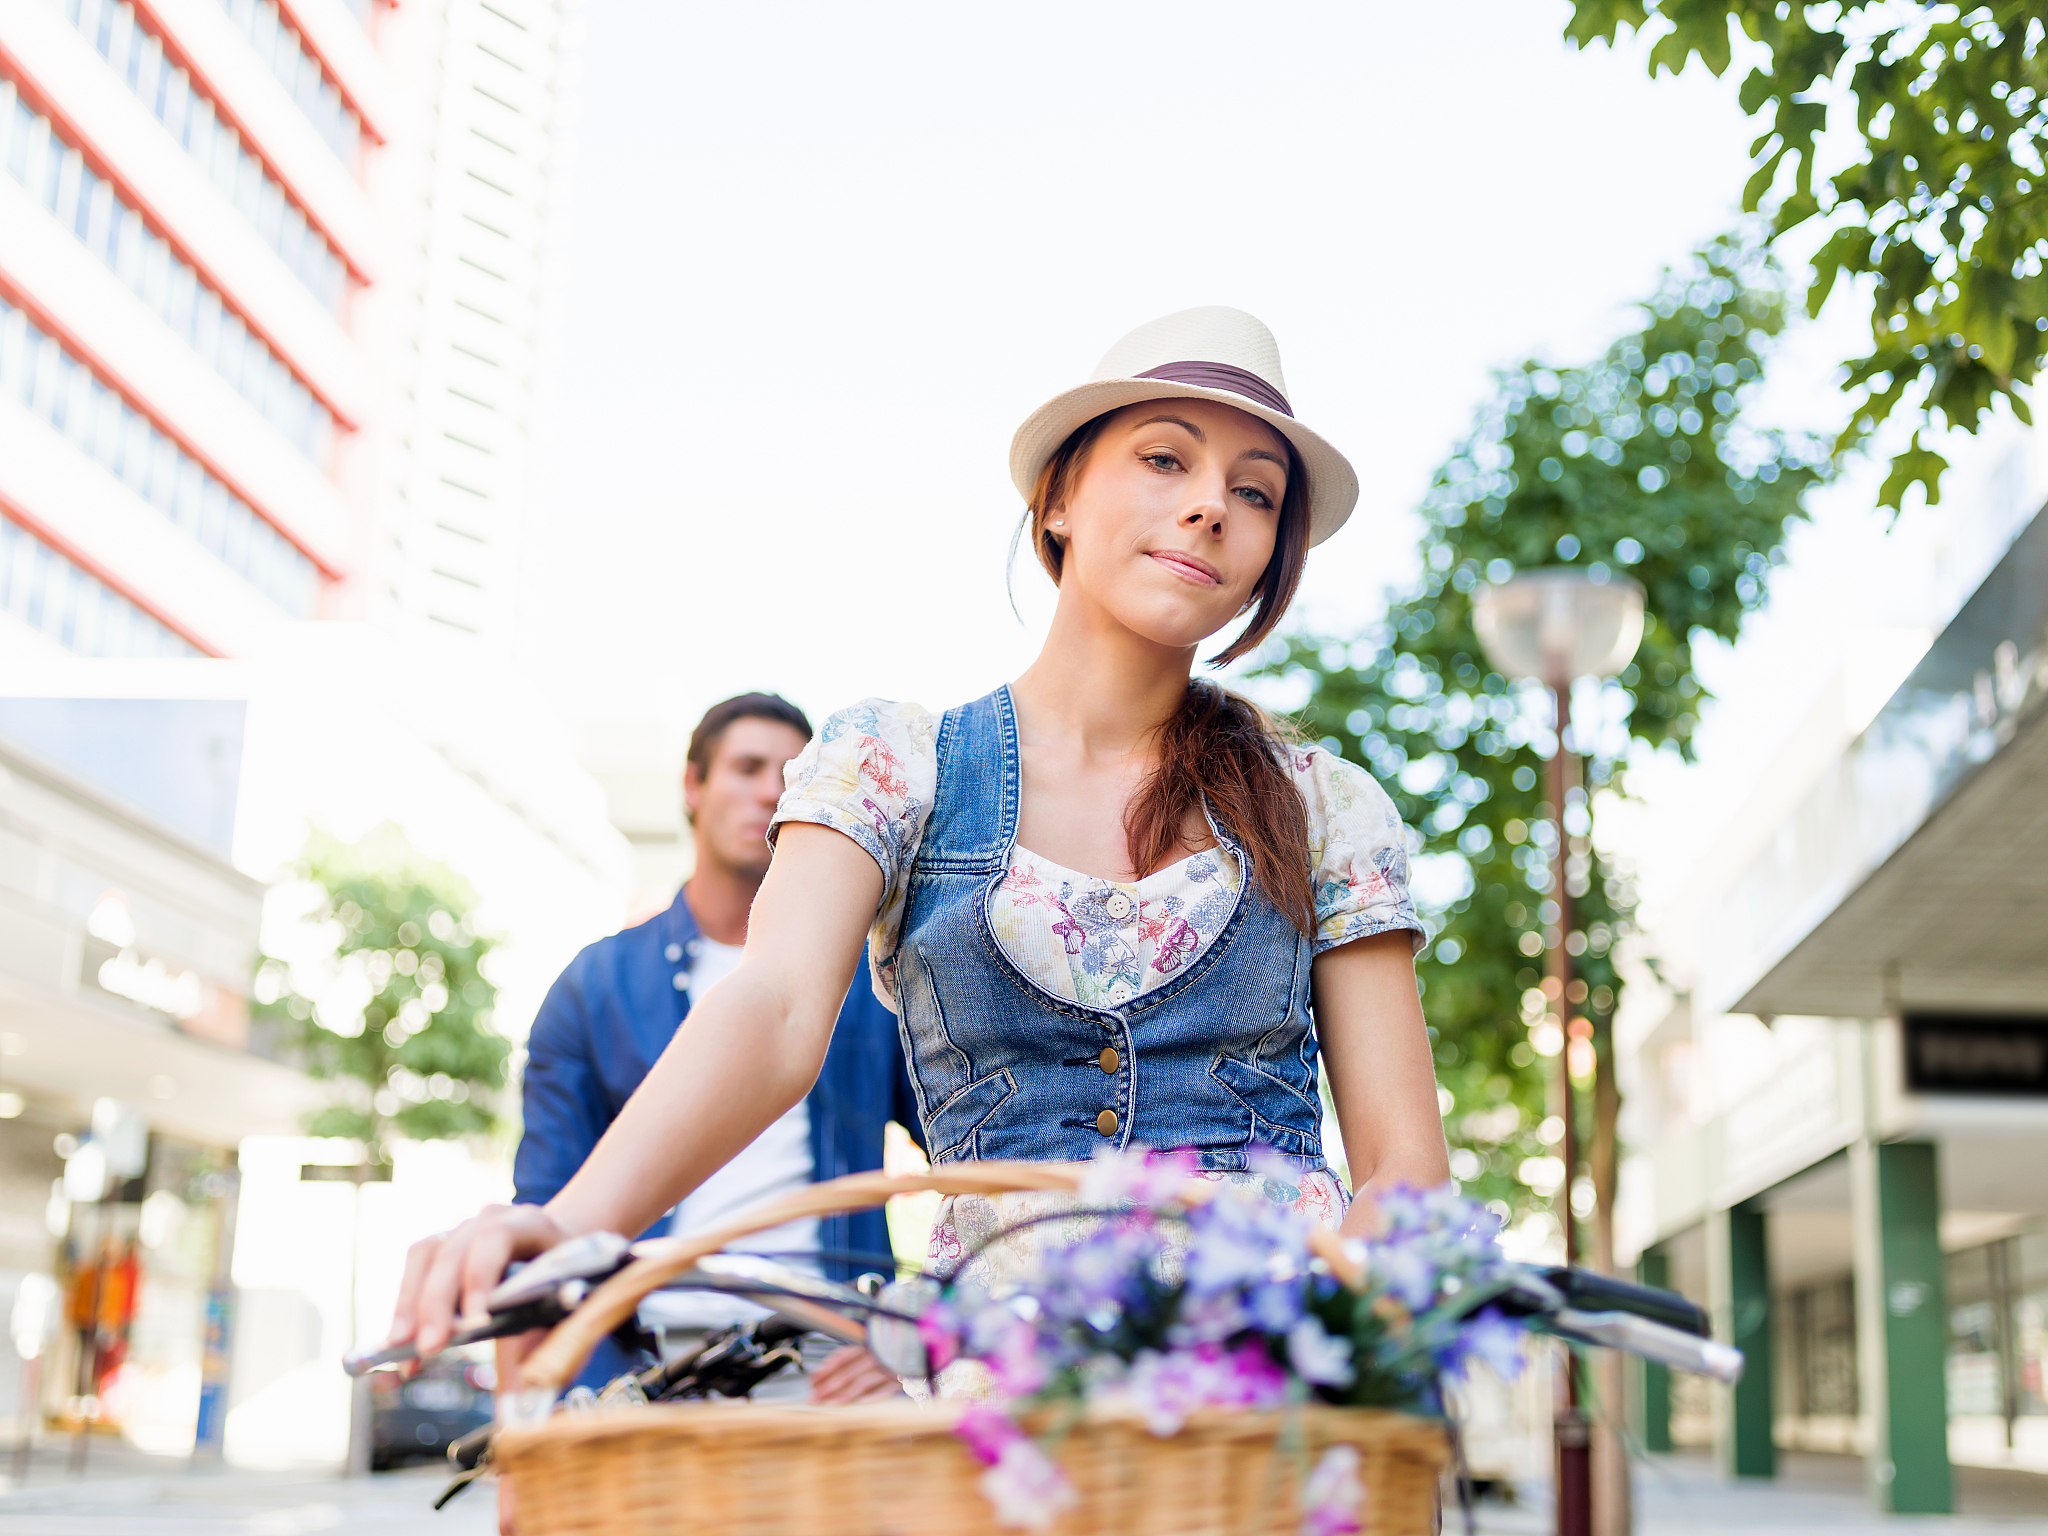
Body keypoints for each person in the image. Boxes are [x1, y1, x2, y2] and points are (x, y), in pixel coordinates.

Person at [390, 306, 1451, 1389]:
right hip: (995, 1402)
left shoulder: (1322, 806)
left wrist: (1334, 1338)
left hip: (1277, 1397)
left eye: (1254, 490)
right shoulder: (895, 764)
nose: (1207, 506)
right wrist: (571, 1224)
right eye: (1164, 458)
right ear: (1056, 500)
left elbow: (1404, 1168)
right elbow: (777, 1009)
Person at [512, 691, 920, 1398]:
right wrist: (524, 1431)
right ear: (692, 787)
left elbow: (986, 1154)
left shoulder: (875, 983)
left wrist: (919, 1334)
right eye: (747, 767)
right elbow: (543, 1217)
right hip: (645, 1365)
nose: (770, 789)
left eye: (793, 775)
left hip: (829, 1366)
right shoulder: (595, 985)